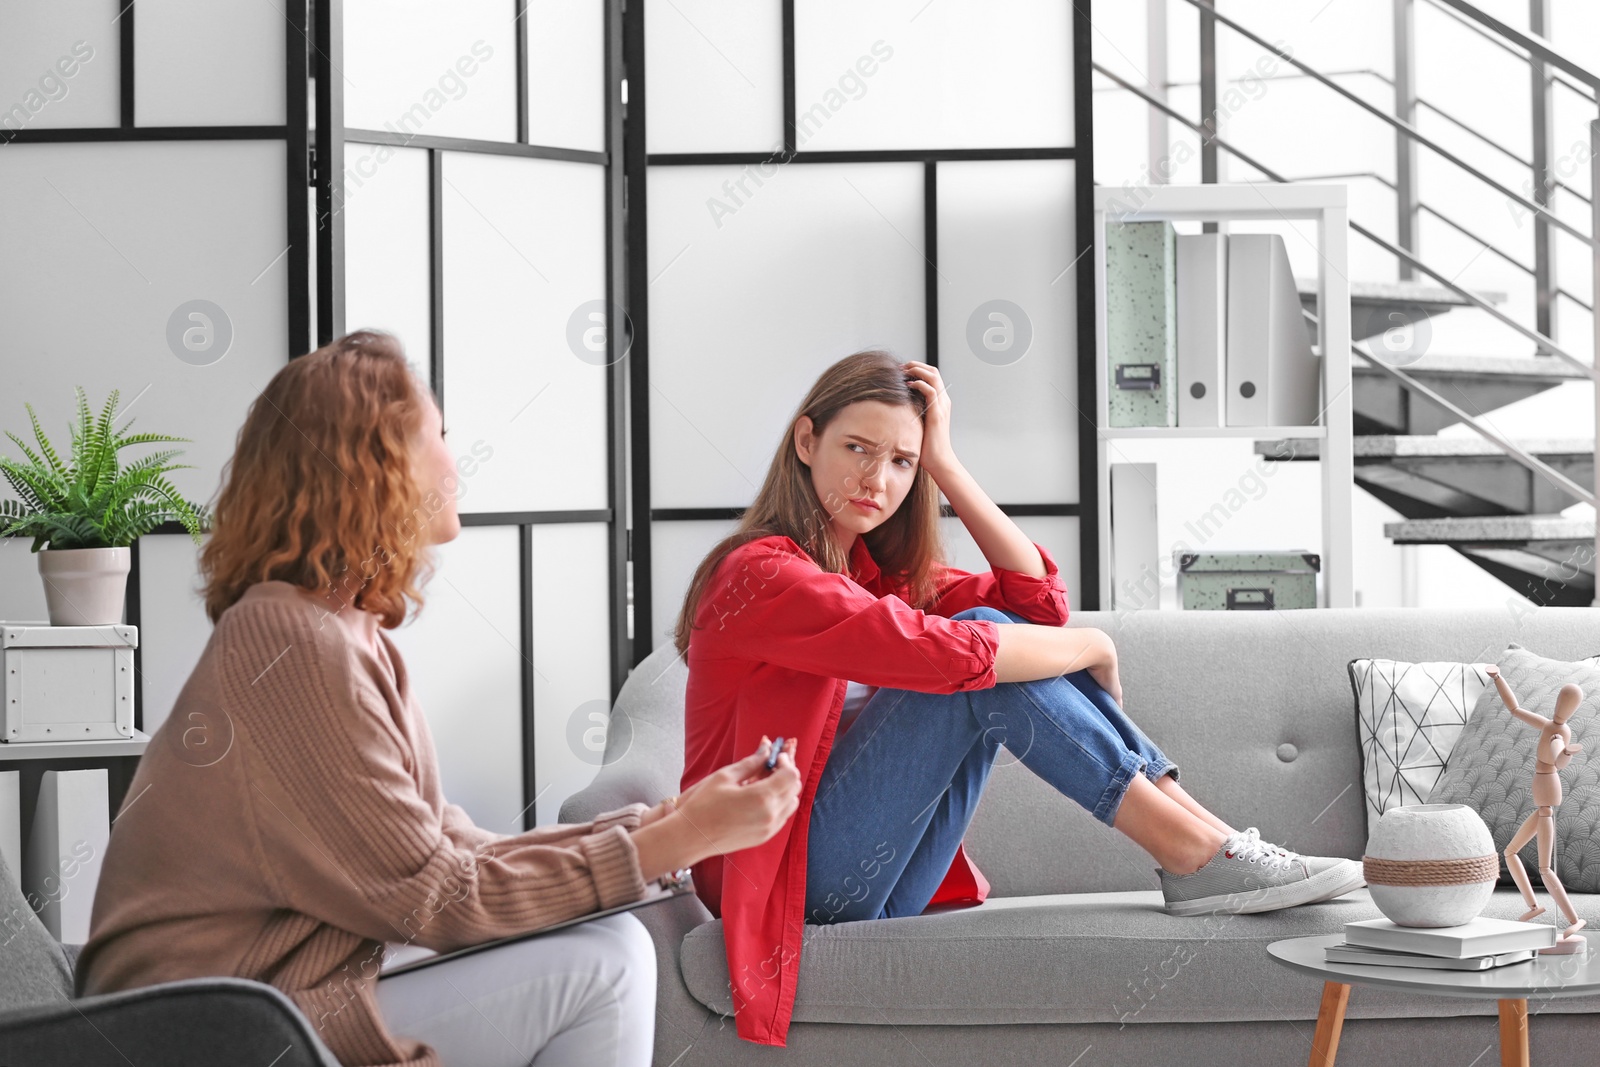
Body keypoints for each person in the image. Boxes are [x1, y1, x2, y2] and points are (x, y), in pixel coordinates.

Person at [76, 331, 803, 1067]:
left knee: (611, 946)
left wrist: (661, 822)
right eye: (441, 435)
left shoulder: (345, 634)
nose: (457, 461)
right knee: (608, 965)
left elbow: (450, 846)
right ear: (377, 465)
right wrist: (673, 842)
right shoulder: (292, 645)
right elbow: (434, 896)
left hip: (272, 989)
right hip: (202, 1023)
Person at [674, 348, 1366, 1047]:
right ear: (805, 441)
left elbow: (1035, 604)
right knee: (972, 647)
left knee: (989, 634)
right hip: (786, 887)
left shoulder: (868, 573)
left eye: (900, 463)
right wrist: (1094, 644)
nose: (874, 479)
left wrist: (945, 463)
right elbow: (955, 649)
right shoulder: (758, 575)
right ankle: (1196, 853)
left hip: (868, 883)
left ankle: (1209, 842)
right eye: (856, 448)